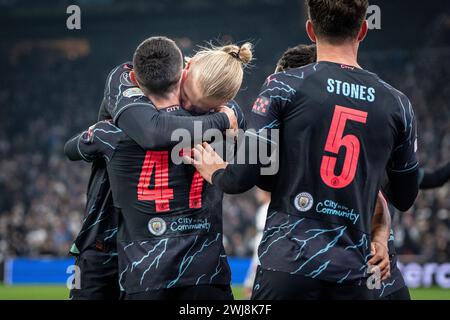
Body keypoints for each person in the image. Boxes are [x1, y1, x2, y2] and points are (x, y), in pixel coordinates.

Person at [187, 0, 419, 299]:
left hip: (287, 266)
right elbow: (405, 196)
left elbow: (242, 177)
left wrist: (216, 170)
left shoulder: (283, 86)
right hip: (354, 273)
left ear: (311, 30)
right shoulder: (397, 103)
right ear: (363, 30)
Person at [65, 36, 251, 299]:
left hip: (148, 254)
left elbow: (72, 148)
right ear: (183, 70)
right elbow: (152, 132)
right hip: (105, 239)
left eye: (198, 108)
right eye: (186, 97)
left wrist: (93, 135)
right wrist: (221, 120)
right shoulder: (128, 77)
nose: (185, 109)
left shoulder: (114, 132)